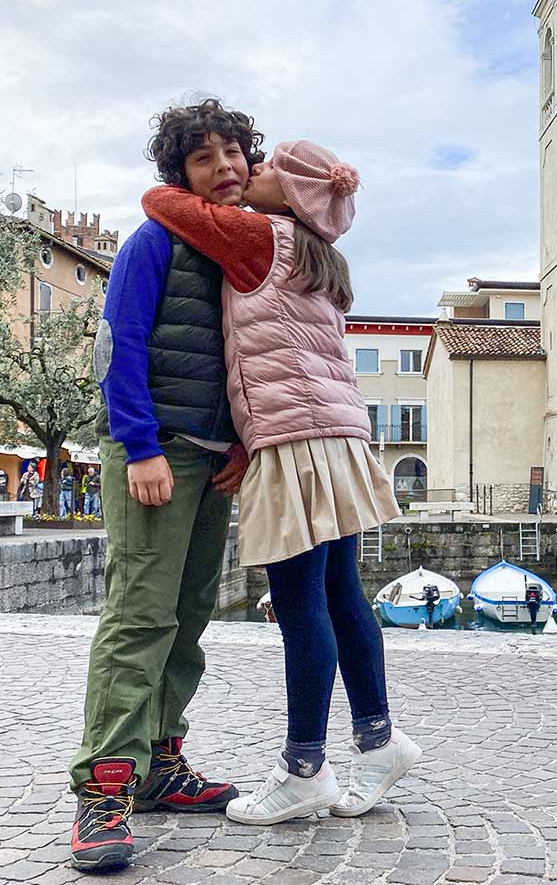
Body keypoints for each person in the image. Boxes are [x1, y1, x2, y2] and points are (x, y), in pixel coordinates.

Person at [142, 139, 415, 827]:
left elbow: (159, 201)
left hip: (294, 436)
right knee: (341, 592)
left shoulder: (260, 235)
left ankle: (304, 769)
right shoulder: (320, 249)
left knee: (299, 605)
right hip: (339, 433)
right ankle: (379, 743)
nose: (246, 172)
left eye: (262, 168)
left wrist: (214, 190)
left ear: (289, 193)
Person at [66, 99, 261, 872]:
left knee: (187, 618)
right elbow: (120, 344)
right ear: (179, 171)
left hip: (215, 461)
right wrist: (140, 447)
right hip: (156, 455)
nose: (225, 167)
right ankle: (105, 788)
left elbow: (256, 357)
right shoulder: (158, 240)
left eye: (235, 152)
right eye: (204, 157)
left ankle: (159, 765)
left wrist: (246, 443)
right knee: (139, 618)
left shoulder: (245, 251)